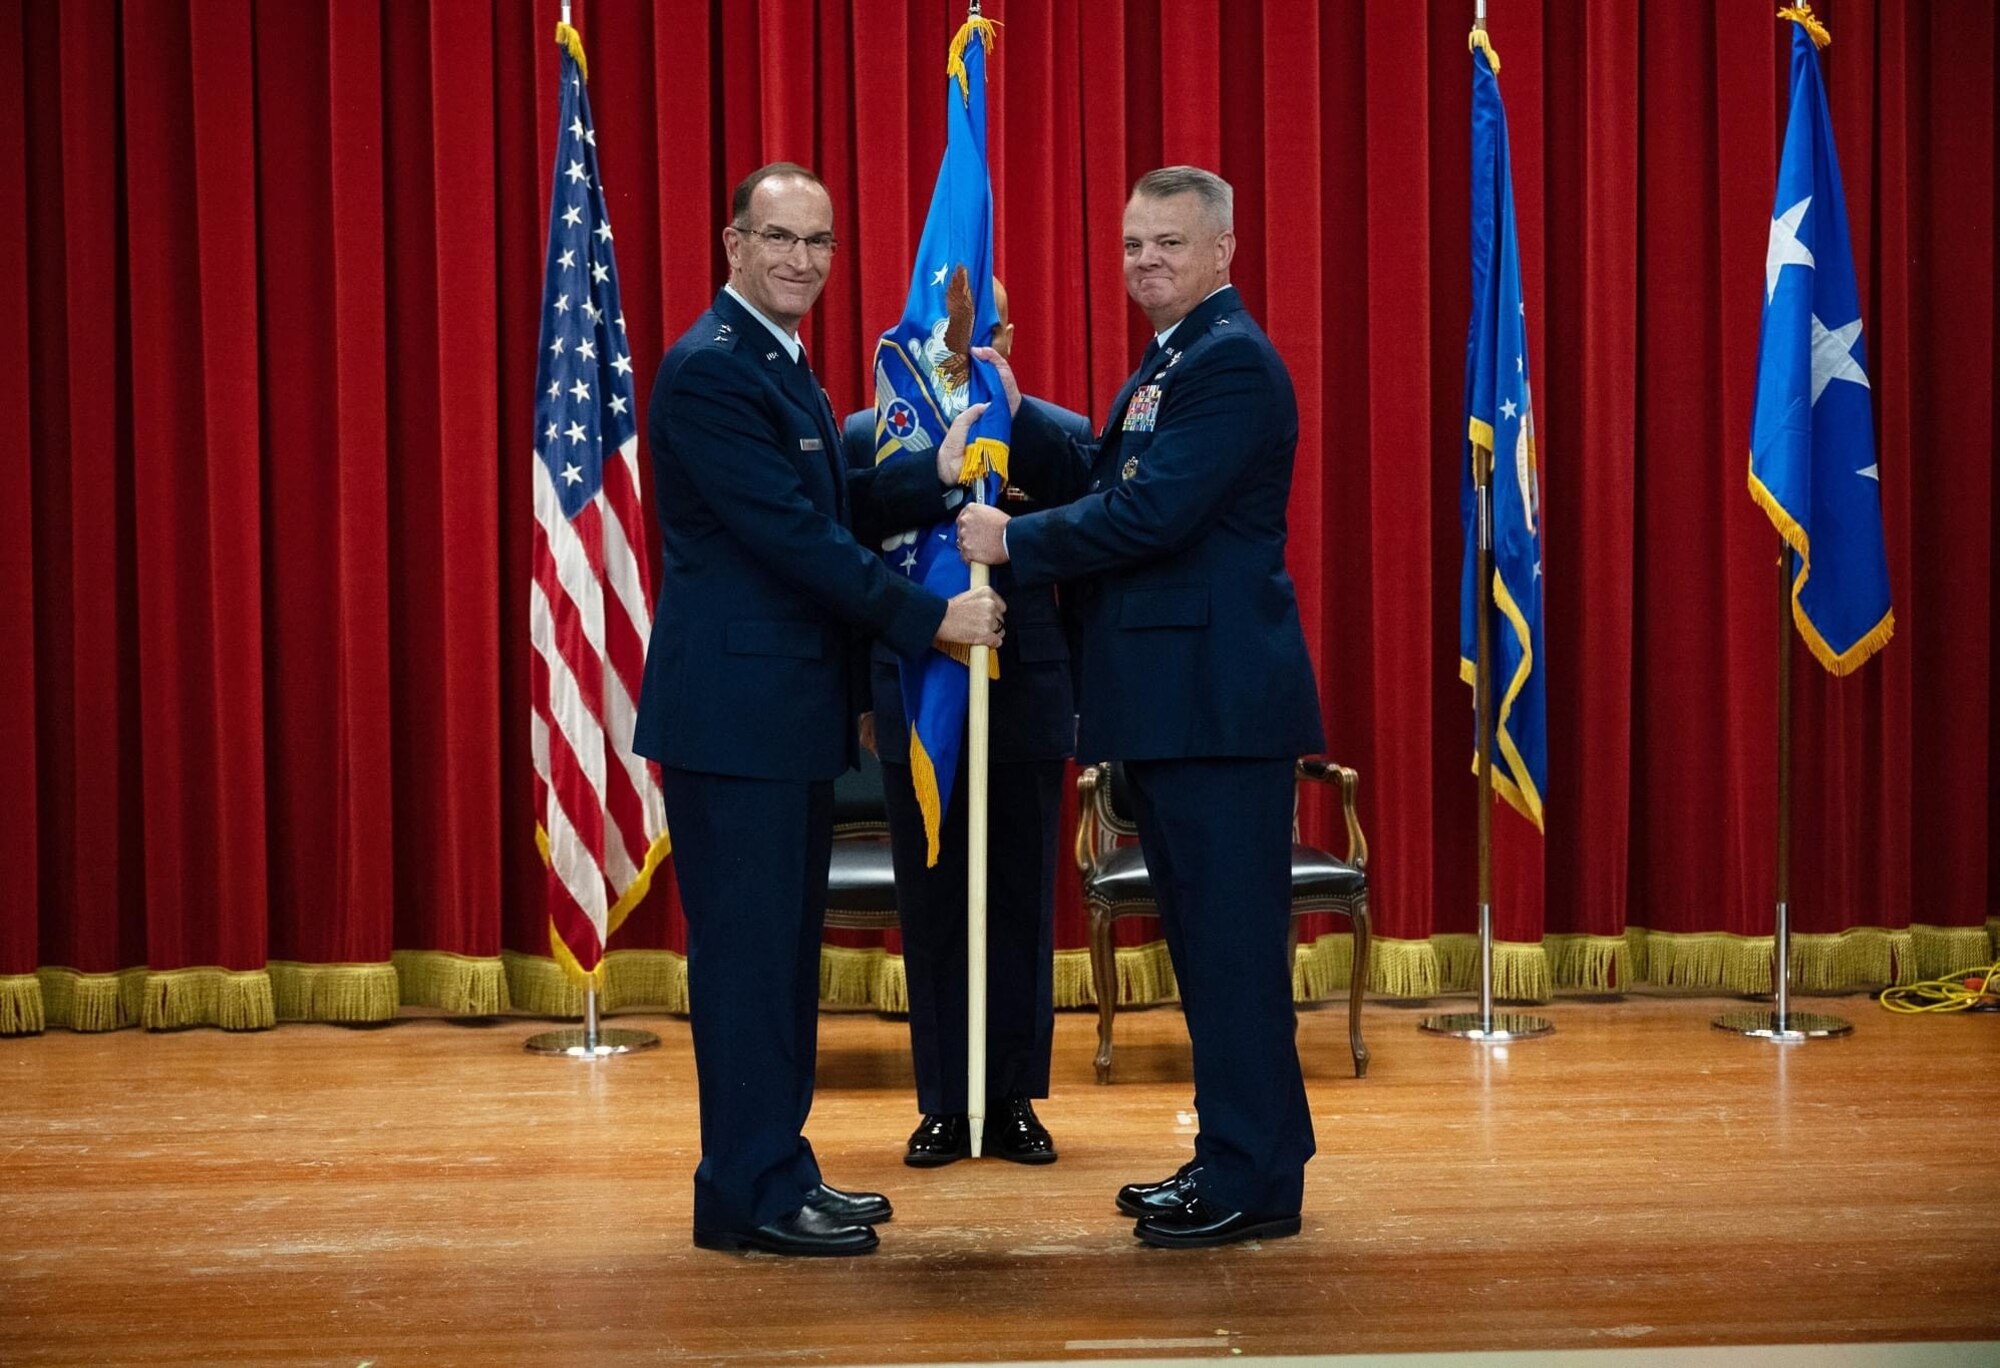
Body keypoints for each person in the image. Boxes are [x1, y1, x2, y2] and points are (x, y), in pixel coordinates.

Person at [634, 162, 1006, 1258]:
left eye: (819, 242)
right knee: (750, 964)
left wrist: (930, 478)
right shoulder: (709, 371)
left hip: (779, 714)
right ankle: (747, 1196)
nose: (801, 259)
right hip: (736, 717)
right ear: (731, 244)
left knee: (780, 960)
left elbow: (828, 504)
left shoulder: (775, 360)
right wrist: (926, 624)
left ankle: (775, 1168)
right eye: (779, 237)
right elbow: (793, 546)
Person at [954, 166, 1325, 1249]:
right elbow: (1111, 460)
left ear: (1221, 252)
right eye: (1129, 245)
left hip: (1212, 708)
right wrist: (1022, 415)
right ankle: (1232, 1155)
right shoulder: (1179, 360)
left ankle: (1255, 1180)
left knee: (1230, 950)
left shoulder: (1232, 366)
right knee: (1209, 950)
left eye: (1166, 243)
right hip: (1175, 705)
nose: (1143, 262)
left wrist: (1013, 539)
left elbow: (1152, 510)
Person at [840, 282, 1093, 1167]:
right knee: (935, 894)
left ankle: (1014, 1096)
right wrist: (862, 698)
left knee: (1020, 896)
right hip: (913, 687)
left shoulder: (1047, 426)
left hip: (1024, 682)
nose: (960, 342)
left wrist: (1019, 420)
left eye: (977, 326)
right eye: (944, 327)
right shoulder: (873, 435)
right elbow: (848, 544)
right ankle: (947, 1102)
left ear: (1004, 332)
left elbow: (1090, 518)